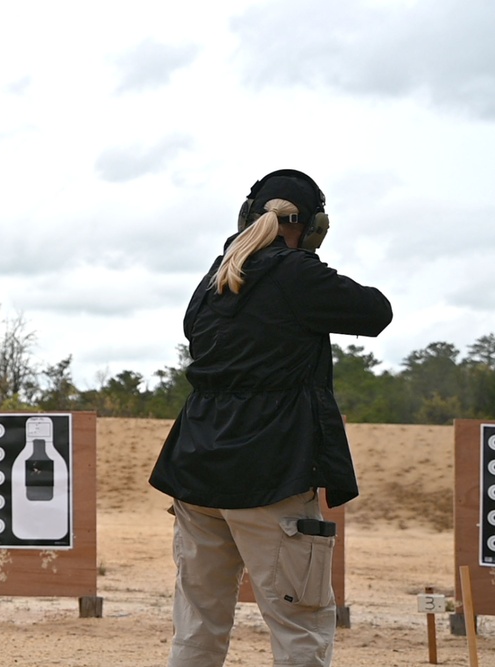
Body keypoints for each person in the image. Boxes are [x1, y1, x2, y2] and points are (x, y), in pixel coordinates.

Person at [148, 169, 392, 666]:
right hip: (272, 472)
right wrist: (305, 265)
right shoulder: (297, 275)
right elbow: (376, 311)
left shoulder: (216, 276)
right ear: (313, 227)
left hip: (196, 468)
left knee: (198, 626)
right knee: (301, 627)